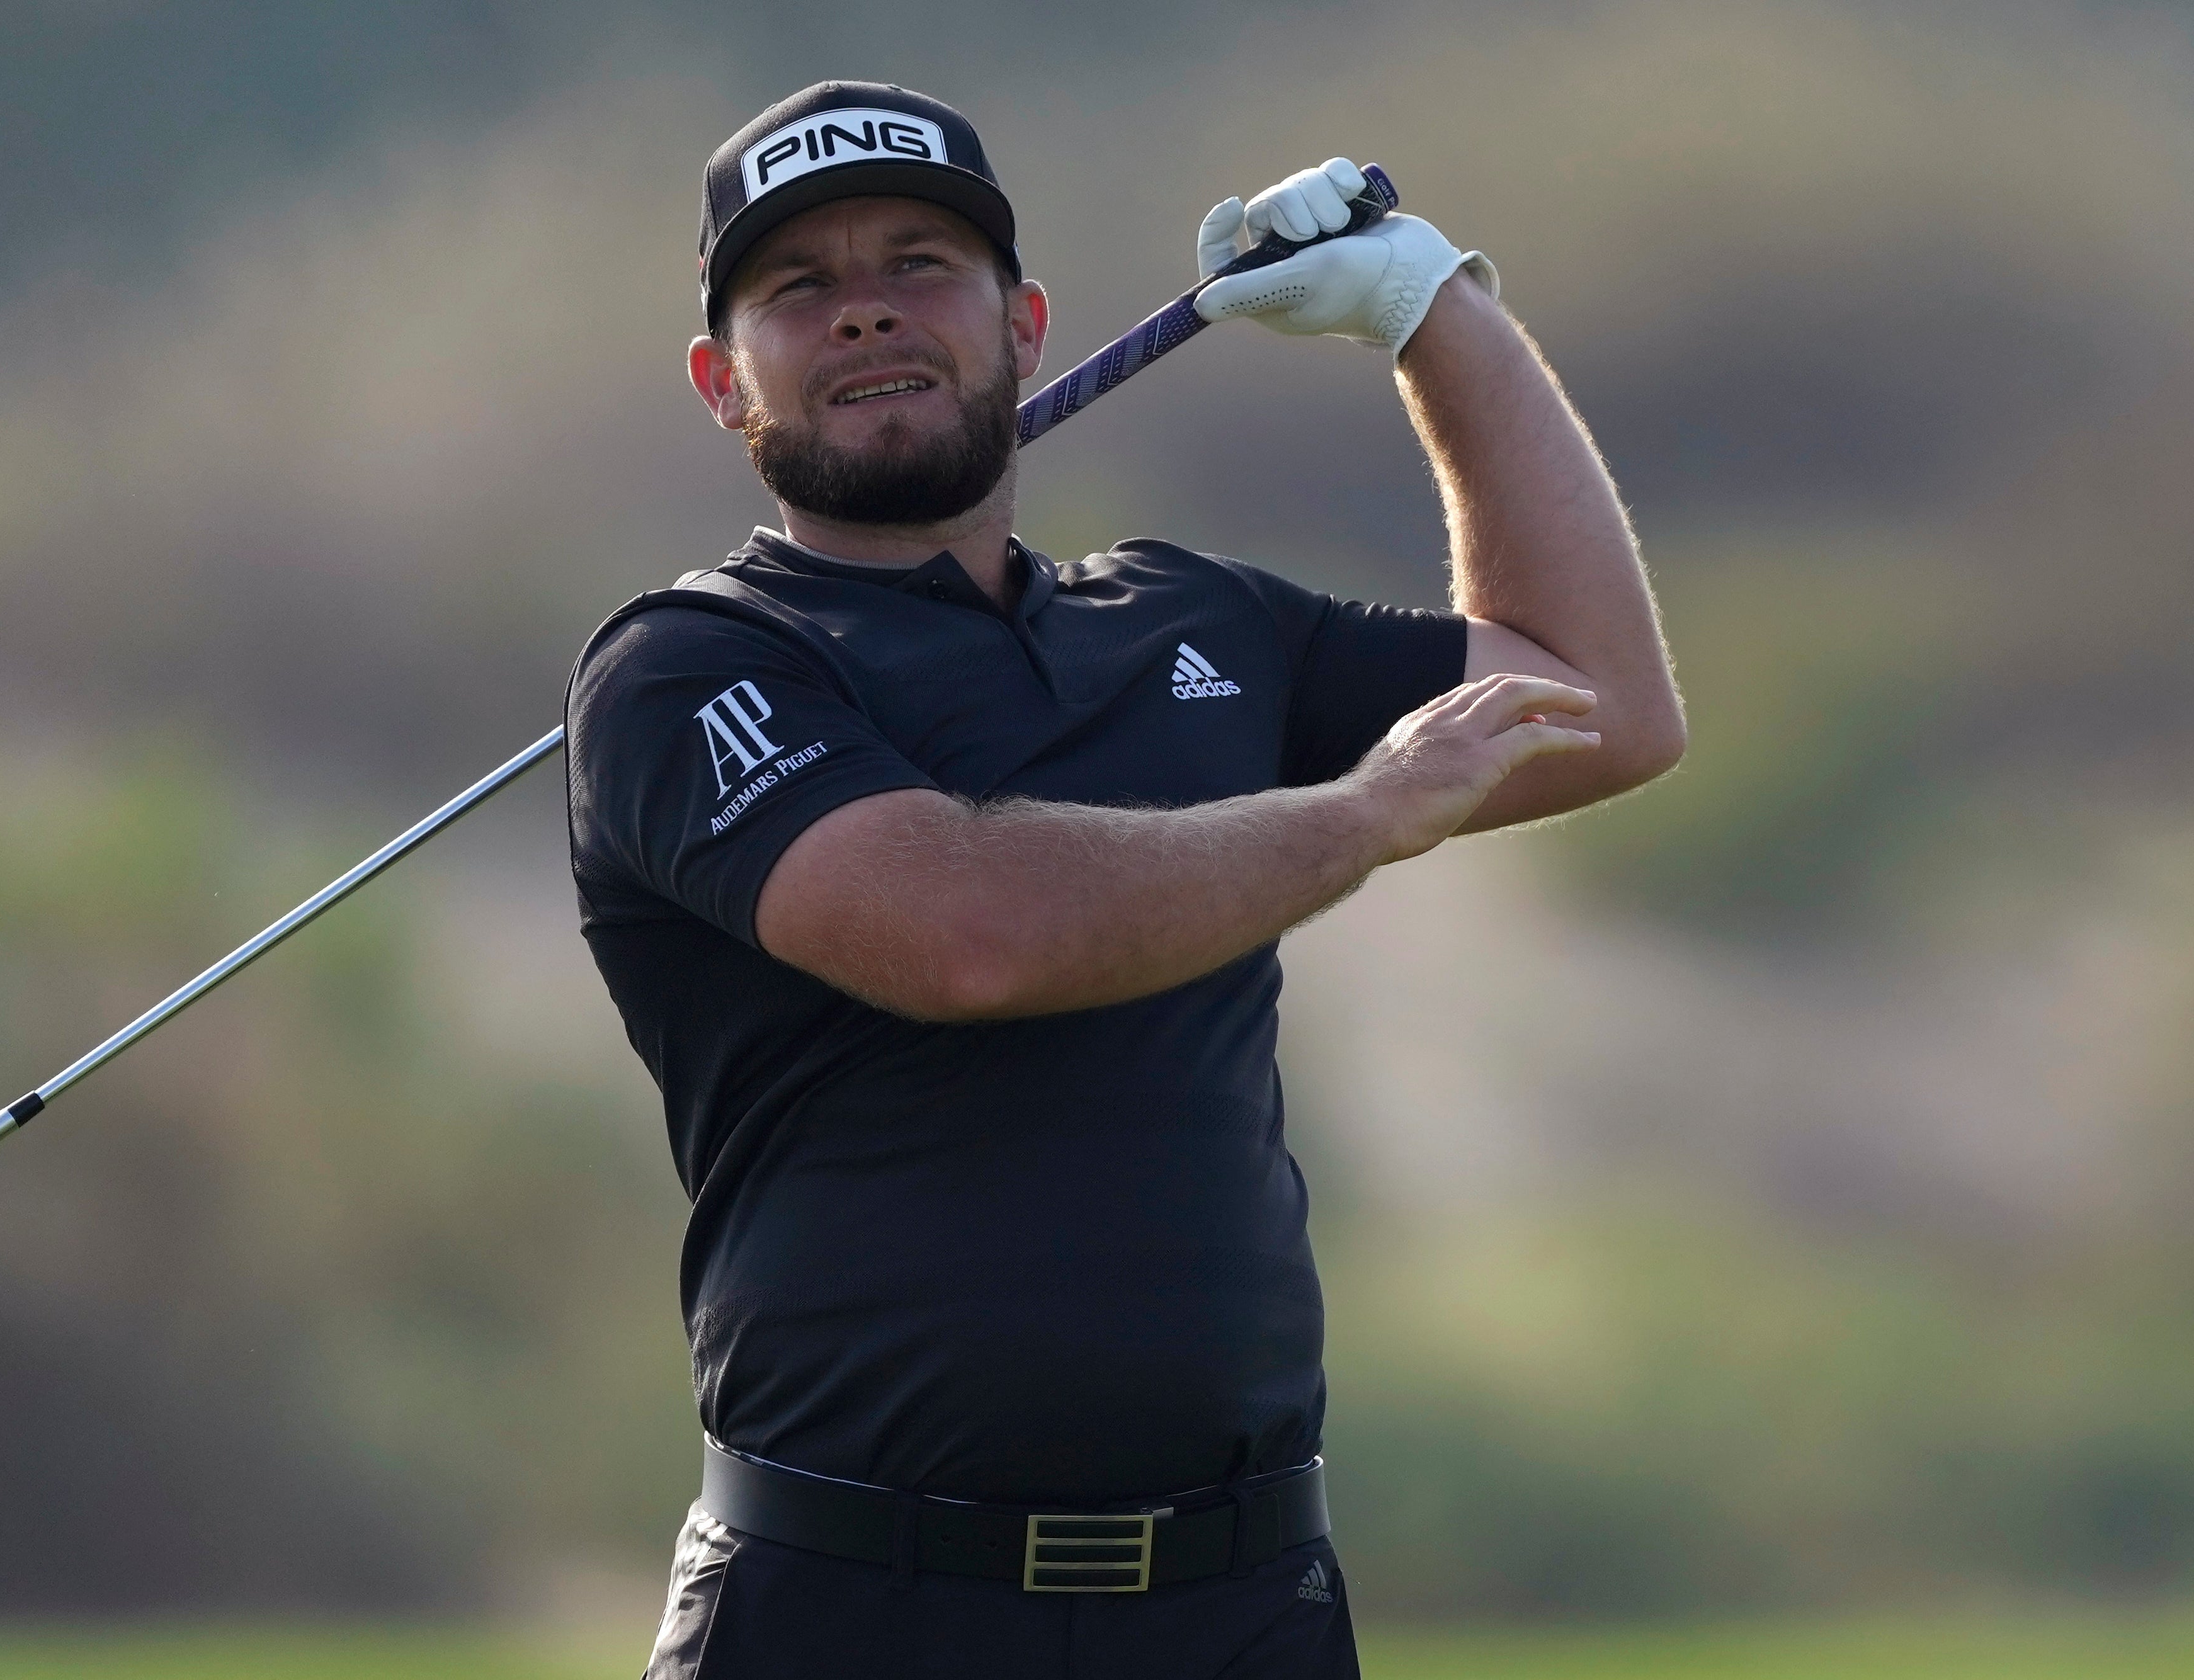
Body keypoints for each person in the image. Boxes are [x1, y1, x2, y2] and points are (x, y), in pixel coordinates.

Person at [564, 81, 1683, 1680]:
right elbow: (964, 929)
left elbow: (1604, 703)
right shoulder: (690, 667)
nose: (866, 303)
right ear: (717, 381)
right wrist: (1359, 814)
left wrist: (1431, 309)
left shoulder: (1195, 617)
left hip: (1239, 1604)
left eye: (920, 261)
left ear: (1022, 324)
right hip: (850, 1599)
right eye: (796, 286)